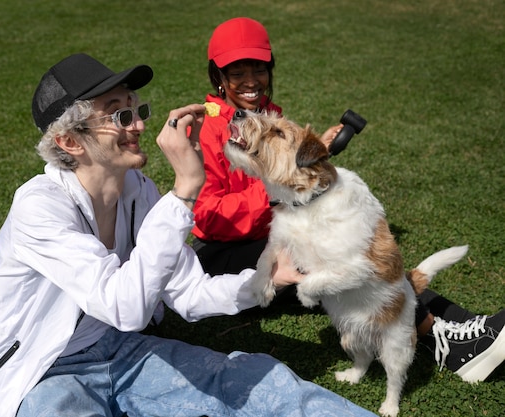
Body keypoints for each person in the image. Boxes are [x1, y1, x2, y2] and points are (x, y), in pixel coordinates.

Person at [0, 53, 379, 417]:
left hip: (124, 352)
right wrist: (185, 189)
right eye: (118, 115)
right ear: (68, 141)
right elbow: (124, 308)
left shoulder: (140, 192)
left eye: (134, 109)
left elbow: (187, 292)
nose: (139, 124)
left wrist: (264, 281)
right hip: (46, 371)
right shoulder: (38, 208)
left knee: (255, 379)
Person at [191, 16, 505, 384]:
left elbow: (286, 171)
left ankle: (468, 323)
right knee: (360, 274)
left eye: (258, 68)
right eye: (236, 71)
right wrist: (280, 183)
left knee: (363, 264)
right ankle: (453, 344)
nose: (250, 81)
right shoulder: (209, 128)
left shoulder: (266, 114)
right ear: (217, 75)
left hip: (277, 233)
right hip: (226, 253)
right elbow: (207, 216)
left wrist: (311, 156)